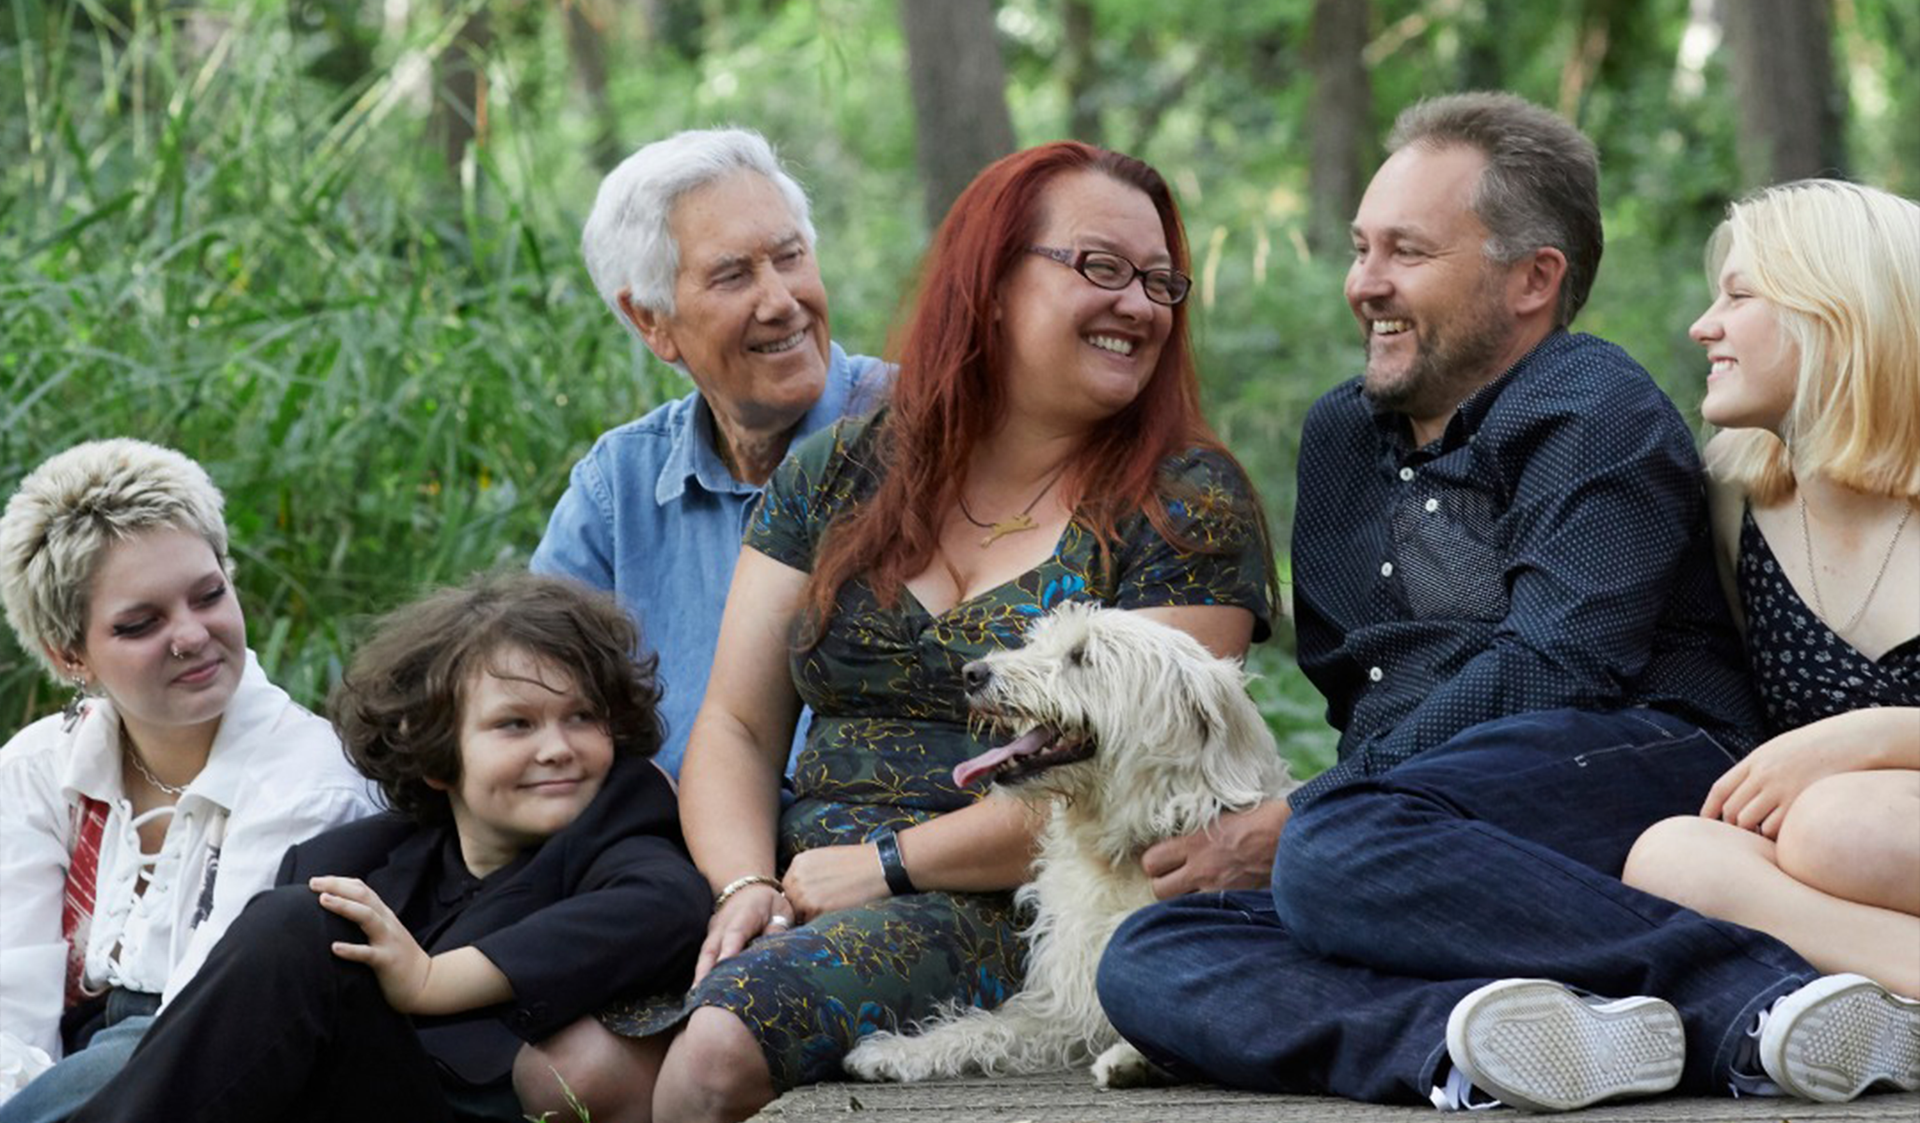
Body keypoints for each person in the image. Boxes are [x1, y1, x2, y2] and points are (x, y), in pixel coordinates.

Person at [1100, 92, 1918, 1114]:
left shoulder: (1595, 404)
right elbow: (1362, 690)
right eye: (1361, 248)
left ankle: (1755, 997)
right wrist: (1342, 820)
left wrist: (1311, 815)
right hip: (1420, 823)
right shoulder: (1341, 439)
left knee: (1332, 851)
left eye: (1408, 251)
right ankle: (1494, 1039)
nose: (1365, 283)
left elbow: (1559, 661)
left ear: (1533, 278)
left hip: (1628, 756)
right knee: (1152, 952)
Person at [575, 140, 1275, 1123]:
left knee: (720, 1050)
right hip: (799, 872)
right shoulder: (836, 469)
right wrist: (743, 883)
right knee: (575, 1067)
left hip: (1024, 899)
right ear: (991, 285)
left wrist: (888, 863)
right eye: (1101, 268)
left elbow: (1143, 782)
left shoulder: (1184, 503)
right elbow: (736, 723)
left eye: (1161, 283)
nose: (1141, 305)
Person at [68, 571, 712, 1123]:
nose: (557, 748)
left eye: (582, 717)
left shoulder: (621, 825)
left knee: (300, 925)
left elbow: (668, 904)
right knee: (300, 922)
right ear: (436, 755)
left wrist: (434, 981)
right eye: (515, 724)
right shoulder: (349, 859)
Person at [0, 440, 380, 1119]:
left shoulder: (309, 783)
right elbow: (10, 1004)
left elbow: (209, 1035)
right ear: (69, 655)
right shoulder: (37, 768)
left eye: (209, 595)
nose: (193, 635)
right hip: (64, 1077)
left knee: (128, 1049)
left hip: (218, 1077)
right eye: (140, 623)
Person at [1622, 180, 1919, 1000]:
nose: (1703, 325)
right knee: (1671, 855)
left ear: (1840, 314)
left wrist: (1862, 739)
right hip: (1851, 875)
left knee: (1840, 822)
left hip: (1868, 834)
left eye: (1740, 295)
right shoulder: (1731, 495)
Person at [533, 127, 887, 776]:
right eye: (732, 276)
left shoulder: (928, 432)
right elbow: (528, 696)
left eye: (790, 257)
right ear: (650, 320)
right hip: (670, 836)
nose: (780, 301)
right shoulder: (620, 487)